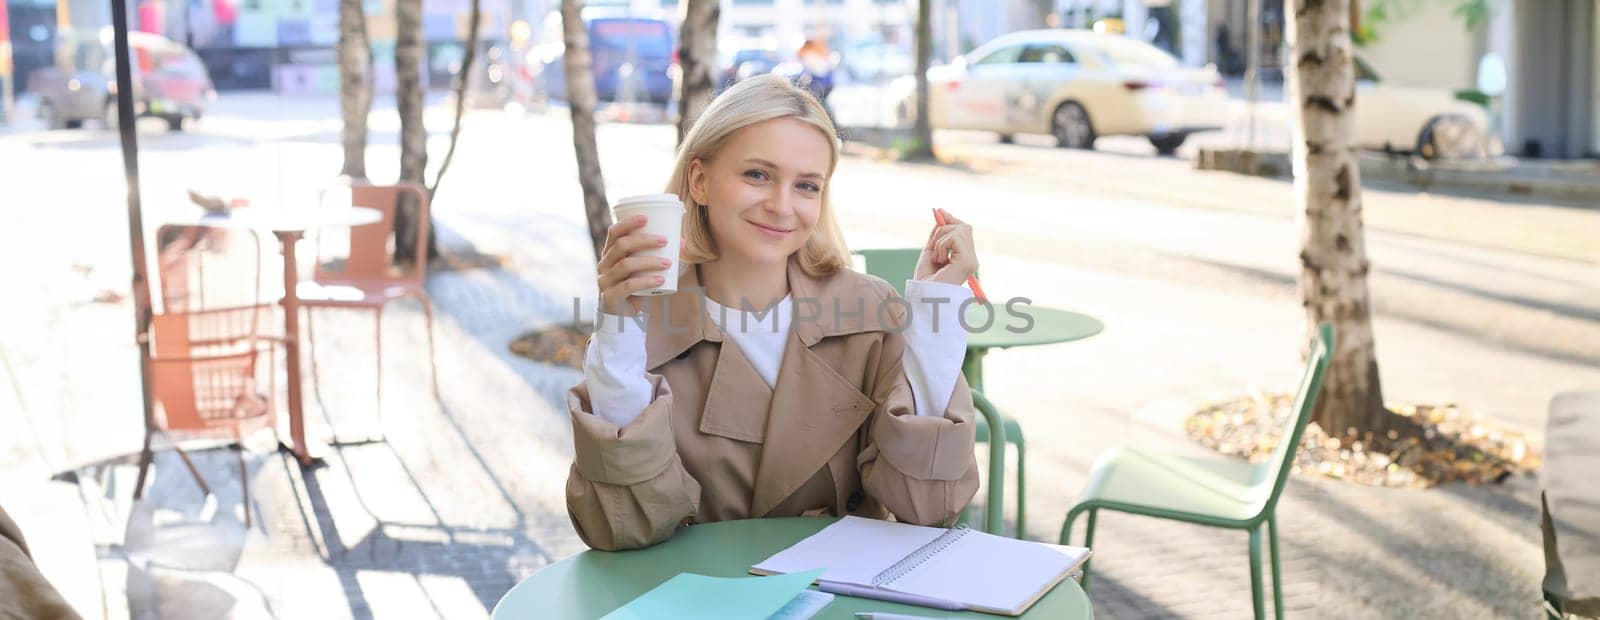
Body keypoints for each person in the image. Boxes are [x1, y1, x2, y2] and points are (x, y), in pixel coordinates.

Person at [566, 74, 982, 551]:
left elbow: (926, 508)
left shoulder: (869, 311)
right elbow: (621, 526)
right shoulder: (645, 325)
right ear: (699, 181)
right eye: (757, 175)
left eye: (807, 186)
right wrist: (619, 325)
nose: (782, 207)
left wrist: (934, 313)